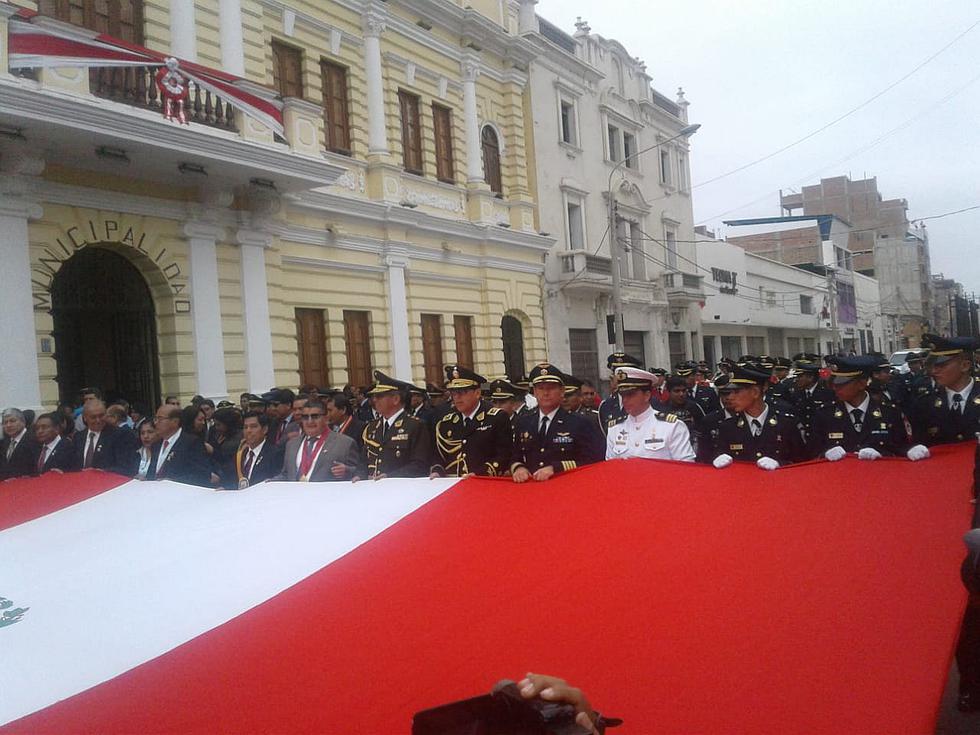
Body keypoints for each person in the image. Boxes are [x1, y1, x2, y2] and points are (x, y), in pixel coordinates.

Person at [808, 355, 928, 462]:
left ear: (862, 383)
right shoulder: (824, 415)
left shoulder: (890, 413)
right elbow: (811, 454)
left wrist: (883, 454)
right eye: (833, 383)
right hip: (840, 480)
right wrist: (825, 454)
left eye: (841, 383)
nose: (835, 387)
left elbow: (902, 447)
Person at [511, 363, 605, 483]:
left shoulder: (580, 423)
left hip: (567, 487)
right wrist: (519, 468)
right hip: (532, 490)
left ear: (562, 391)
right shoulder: (524, 422)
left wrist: (556, 468)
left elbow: (594, 460)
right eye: (540, 388)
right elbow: (514, 455)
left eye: (551, 388)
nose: (545, 393)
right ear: (534, 392)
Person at [711, 363, 805, 470]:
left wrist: (781, 465)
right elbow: (717, 458)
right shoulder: (727, 427)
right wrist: (717, 459)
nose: (730, 397)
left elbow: (802, 464)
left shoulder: (786, 424)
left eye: (737, 391)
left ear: (755, 392)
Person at [430, 365, 513, 478]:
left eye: (462, 392)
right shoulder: (446, 423)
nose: (457, 398)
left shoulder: (496, 418)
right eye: (454, 393)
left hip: (484, 483)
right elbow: (438, 456)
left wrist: (479, 474)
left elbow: (504, 455)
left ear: (477, 393)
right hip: (453, 486)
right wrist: (437, 471)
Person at [605, 367, 695, 462]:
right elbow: (610, 467)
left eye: (630, 395)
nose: (625, 400)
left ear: (647, 396)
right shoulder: (615, 429)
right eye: (622, 395)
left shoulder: (672, 427)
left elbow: (686, 468)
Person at [356, 371, 431, 480]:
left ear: (396, 399)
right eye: (374, 396)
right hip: (372, 490)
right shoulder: (372, 427)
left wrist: (390, 477)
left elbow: (420, 465)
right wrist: (359, 475)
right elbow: (363, 461)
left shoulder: (414, 426)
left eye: (380, 396)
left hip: (401, 489)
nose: (375, 400)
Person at [912, 335, 980, 445]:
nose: (934, 371)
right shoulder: (925, 403)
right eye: (933, 366)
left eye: (941, 365)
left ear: (965, 366)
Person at [279, 399, 359, 481]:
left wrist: (348, 471)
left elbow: (359, 473)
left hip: (327, 493)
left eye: (315, 416)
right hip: (296, 493)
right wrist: (270, 483)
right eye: (305, 417)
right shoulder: (291, 444)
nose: (309, 421)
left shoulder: (345, 444)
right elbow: (286, 474)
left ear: (326, 418)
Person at [145, 404, 211, 486]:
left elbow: (202, 475)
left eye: (160, 419)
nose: (155, 423)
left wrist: (173, 482)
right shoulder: (156, 445)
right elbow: (152, 473)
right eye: (155, 418)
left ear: (175, 421)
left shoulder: (191, 442)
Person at [72, 399, 139, 476]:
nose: (98, 420)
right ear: (85, 418)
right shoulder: (78, 437)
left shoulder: (120, 435)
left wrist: (101, 472)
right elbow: (73, 465)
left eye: (101, 416)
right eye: (93, 417)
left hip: (109, 483)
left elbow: (126, 467)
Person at [222, 411, 284, 489]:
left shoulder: (275, 453)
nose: (248, 431)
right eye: (245, 427)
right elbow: (230, 480)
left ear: (264, 429)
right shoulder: (240, 455)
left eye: (253, 426)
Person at [599, 352, 642, 431]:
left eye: (620, 374)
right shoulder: (606, 406)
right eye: (614, 373)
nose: (613, 377)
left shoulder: (649, 402)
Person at [1, 408, 40, 480]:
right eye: (5, 422)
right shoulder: (4, 442)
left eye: (12, 421)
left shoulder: (34, 440)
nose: (8, 425)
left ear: (23, 422)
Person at [209, 407, 244, 485]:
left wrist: (213, 450)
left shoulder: (239, 438)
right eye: (215, 424)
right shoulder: (218, 435)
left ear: (227, 424)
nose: (216, 428)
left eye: (219, 425)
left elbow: (226, 459)